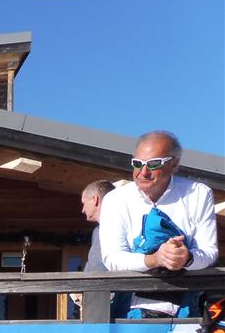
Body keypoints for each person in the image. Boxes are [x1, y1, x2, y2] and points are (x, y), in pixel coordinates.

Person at [99, 130, 218, 318]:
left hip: (188, 309)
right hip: (129, 311)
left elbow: (209, 252)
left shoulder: (199, 193)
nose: (143, 172)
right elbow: (112, 258)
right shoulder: (115, 199)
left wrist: (186, 258)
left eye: (154, 164)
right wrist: (155, 259)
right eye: (137, 164)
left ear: (175, 164)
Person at [70, 180, 116, 316]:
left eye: (84, 203)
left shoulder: (110, 228)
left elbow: (98, 267)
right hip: (104, 297)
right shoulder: (101, 229)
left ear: (95, 200)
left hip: (105, 301)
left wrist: (85, 292)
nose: (82, 209)